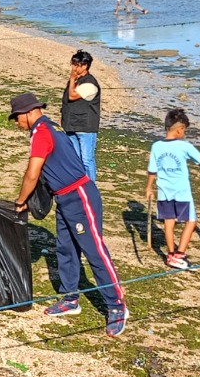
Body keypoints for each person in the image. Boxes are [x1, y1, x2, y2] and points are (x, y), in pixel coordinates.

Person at [7, 93, 128, 337]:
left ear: (29, 113)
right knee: (65, 248)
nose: (16, 123)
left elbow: (32, 173)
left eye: (17, 118)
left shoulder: (42, 131)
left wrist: (21, 201)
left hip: (80, 196)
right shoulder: (47, 128)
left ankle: (116, 305)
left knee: (94, 250)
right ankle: (70, 297)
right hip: (63, 197)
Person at [146, 109, 200, 269]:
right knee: (191, 221)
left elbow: (152, 169)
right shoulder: (184, 146)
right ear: (180, 130)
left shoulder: (156, 146)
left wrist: (149, 187)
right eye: (184, 131)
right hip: (182, 192)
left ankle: (170, 255)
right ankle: (179, 254)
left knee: (169, 222)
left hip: (164, 191)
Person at [61, 50, 102, 181]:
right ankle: (80, 185)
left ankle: (91, 187)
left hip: (85, 126)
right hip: (71, 124)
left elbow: (72, 96)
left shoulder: (90, 83)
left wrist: (72, 79)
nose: (73, 68)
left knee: (86, 159)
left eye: (76, 65)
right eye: (72, 64)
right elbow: (67, 101)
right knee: (76, 159)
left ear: (85, 66)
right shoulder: (76, 81)